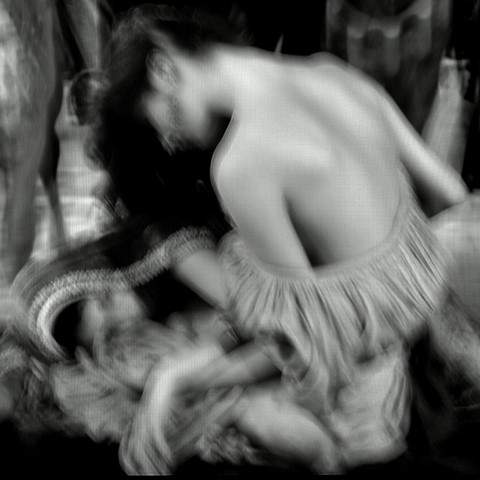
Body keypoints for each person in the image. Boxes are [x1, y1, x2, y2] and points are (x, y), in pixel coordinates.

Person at [92, 3, 480, 475]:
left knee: (176, 405)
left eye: (155, 122)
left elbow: (303, 351)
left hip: (356, 418)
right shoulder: (332, 74)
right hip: (409, 344)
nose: (170, 140)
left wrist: (176, 379)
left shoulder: (242, 162)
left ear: (163, 69)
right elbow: (449, 192)